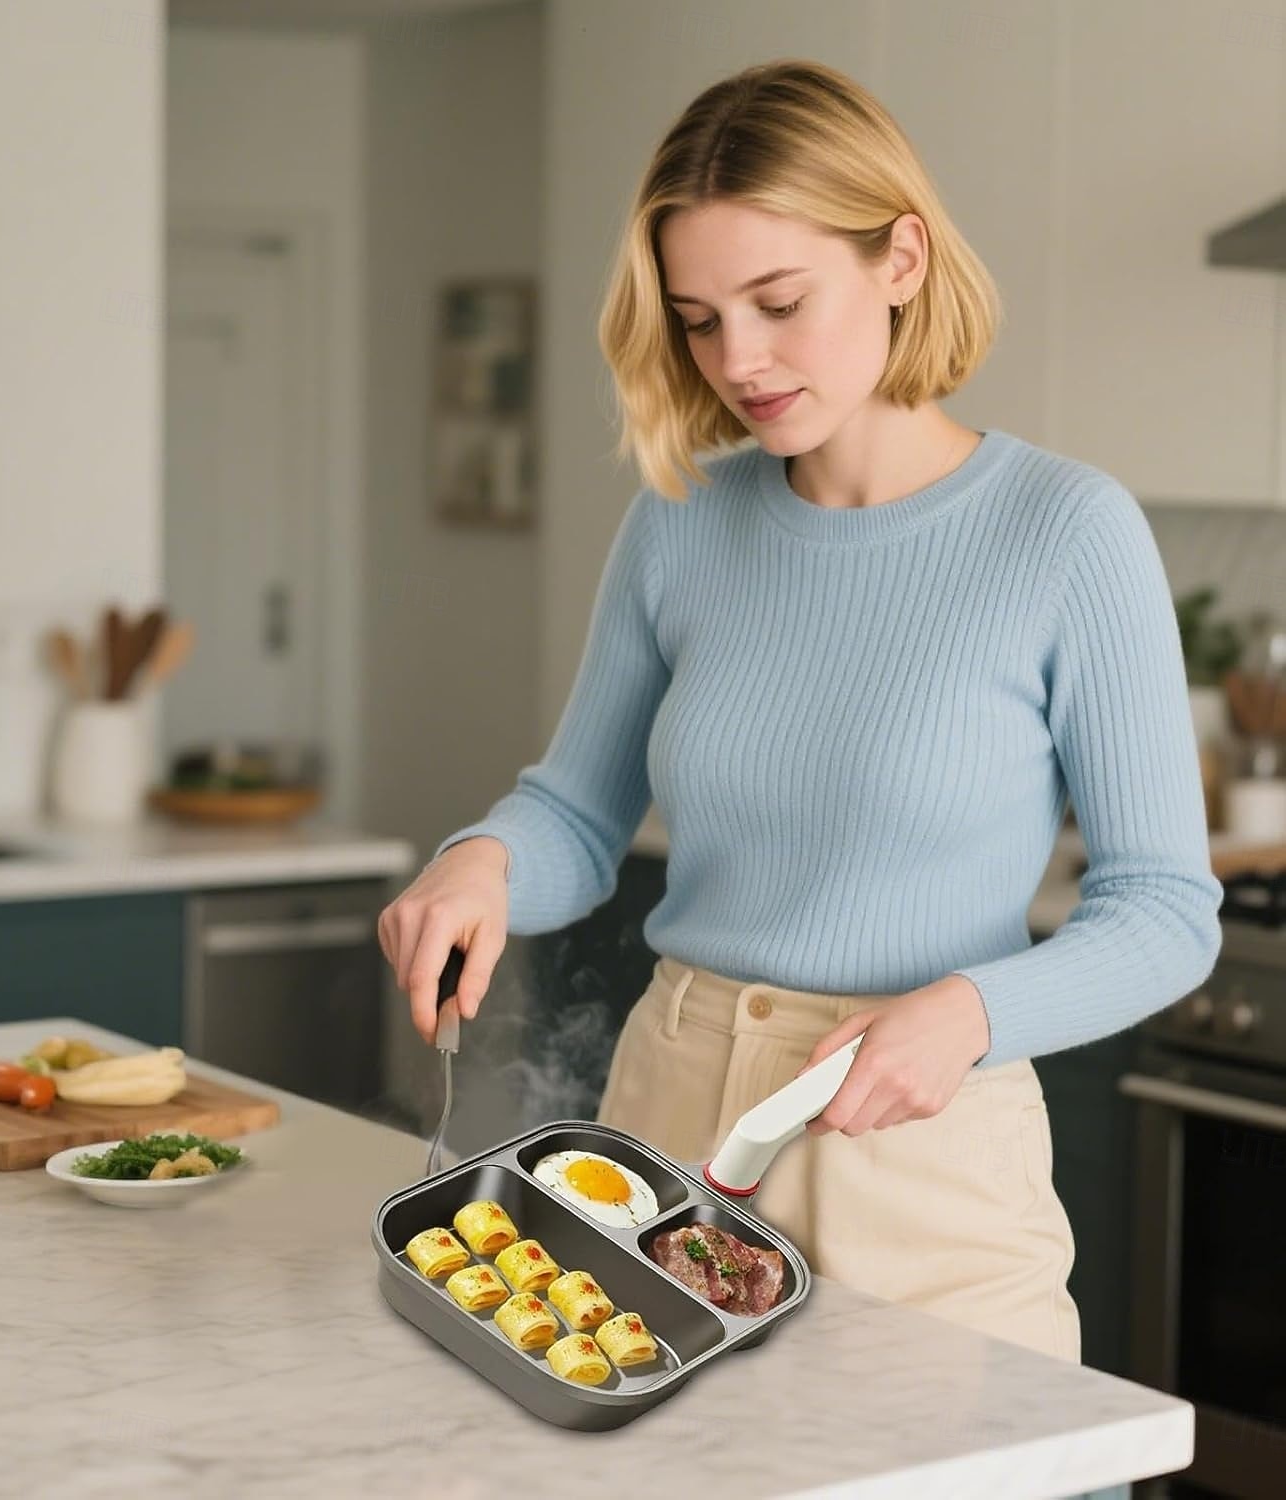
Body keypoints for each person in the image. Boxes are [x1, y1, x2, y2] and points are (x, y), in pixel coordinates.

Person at [376, 58, 1223, 1364]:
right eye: (701, 319)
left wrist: (975, 1012)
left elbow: (1166, 911)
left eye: (779, 303)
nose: (739, 362)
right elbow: (576, 811)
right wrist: (483, 862)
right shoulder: (682, 520)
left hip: (921, 1153)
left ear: (900, 257)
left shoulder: (1065, 532)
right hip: (666, 1141)